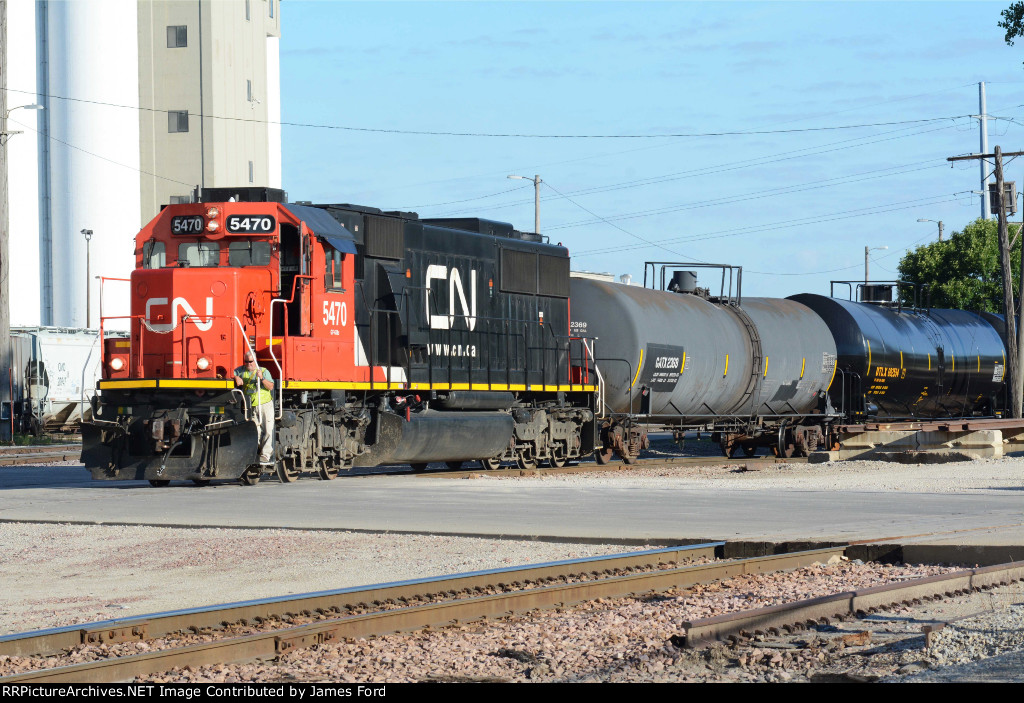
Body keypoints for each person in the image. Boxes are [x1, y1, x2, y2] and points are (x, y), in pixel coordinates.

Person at [233, 350, 275, 466]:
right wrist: (236, 377)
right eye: (246, 362)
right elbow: (231, 372)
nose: (248, 364)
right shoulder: (241, 370)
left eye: (251, 361)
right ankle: (255, 454)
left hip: (265, 404)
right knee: (255, 430)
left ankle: (266, 454)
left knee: (268, 429)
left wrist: (262, 378)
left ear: (255, 361)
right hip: (251, 406)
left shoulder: (264, 371)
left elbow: (271, 386)